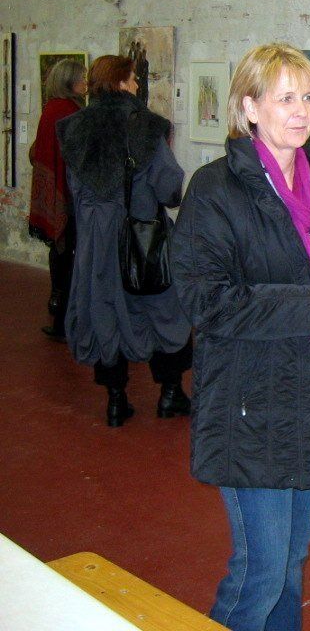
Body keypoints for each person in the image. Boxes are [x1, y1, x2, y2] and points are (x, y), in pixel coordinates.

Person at [171, 43, 310, 631]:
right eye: (285, 98)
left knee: (291, 562)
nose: (301, 111)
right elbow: (204, 299)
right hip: (251, 401)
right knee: (259, 570)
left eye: (308, 97)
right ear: (249, 108)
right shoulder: (216, 190)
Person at [56, 55, 192, 427]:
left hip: (96, 244)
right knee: (164, 309)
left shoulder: (74, 127)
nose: (136, 85)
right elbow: (168, 187)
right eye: (132, 79)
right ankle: (170, 393)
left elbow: (74, 190)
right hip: (142, 237)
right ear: (119, 83)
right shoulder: (145, 126)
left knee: (105, 312)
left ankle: (116, 400)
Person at [29, 58, 87, 341]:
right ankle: (65, 318)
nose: (85, 82)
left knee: (61, 251)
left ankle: (59, 307)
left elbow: (36, 153)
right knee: (68, 254)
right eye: (81, 78)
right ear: (69, 82)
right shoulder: (67, 112)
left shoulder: (52, 109)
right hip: (69, 197)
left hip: (62, 195)